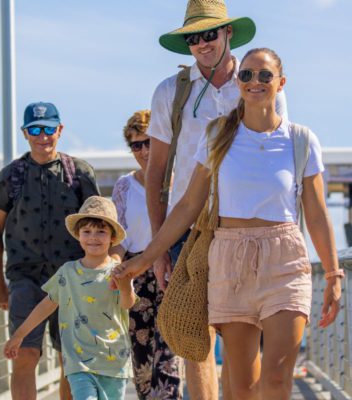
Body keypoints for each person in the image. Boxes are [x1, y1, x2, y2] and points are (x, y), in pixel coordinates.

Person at [116, 47, 342, 400]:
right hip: (229, 258)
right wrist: (145, 259)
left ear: (281, 83)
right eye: (248, 75)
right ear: (239, 83)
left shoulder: (301, 140)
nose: (256, 82)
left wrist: (332, 274)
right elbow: (189, 204)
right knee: (243, 388)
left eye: (265, 75)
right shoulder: (218, 136)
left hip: (284, 260)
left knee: (278, 383)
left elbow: (315, 213)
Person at [145, 1, 287, 398]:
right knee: (196, 336)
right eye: (193, 37)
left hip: (247, 228)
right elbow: (156, 173)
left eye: (210, 33)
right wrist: (158, 249)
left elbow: (280, 162)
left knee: (245, 334)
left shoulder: (260, 81)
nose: (202, 43)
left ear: (228, 33)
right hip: (189, 229)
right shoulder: (171, 92)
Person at [0, 101, 100, 400]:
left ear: (60, 130)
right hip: (26, 280)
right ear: (25, 133)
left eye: (49, 128)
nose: (42, 136)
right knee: (24, 355)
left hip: (72, 279)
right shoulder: (11, 176)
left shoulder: (80, 173)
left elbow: (100, 224)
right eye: (35, 129)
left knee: (71, 361)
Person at [4, 196, 137, 400]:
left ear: (112, 237)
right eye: (87, 231)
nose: (93, 237)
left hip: (113, 361)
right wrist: (19, 335)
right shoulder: (67, 272)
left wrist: (126, 286)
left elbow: (127, 304)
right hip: (78, 360)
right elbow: (46, 305)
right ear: (78, 236)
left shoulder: (118, 272)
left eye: (101, 231)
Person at [110, 110, 182, 399]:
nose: (142, 151)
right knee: (142, 363)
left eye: (148, 142)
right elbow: (119, 238)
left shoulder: (182, 182)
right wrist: (113, 267)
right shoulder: (124, 186)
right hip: (136, 278)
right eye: (135, 145)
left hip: (173, 272)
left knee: (167, 359)